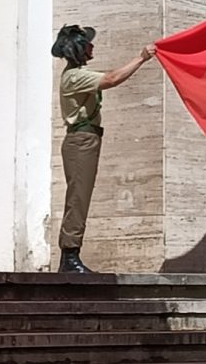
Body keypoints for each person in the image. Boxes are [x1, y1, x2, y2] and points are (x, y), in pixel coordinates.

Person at [51, 24, 156, 273]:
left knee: (80, 196)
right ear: (78, 49)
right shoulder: (75, 76)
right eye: (87, 43)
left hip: (86, 139)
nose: (92, 46)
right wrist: (141, 58)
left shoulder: (77, 74)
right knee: (78, 198)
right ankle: (70, 256)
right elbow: (111, 79)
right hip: (81, 141)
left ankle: (71, 253)